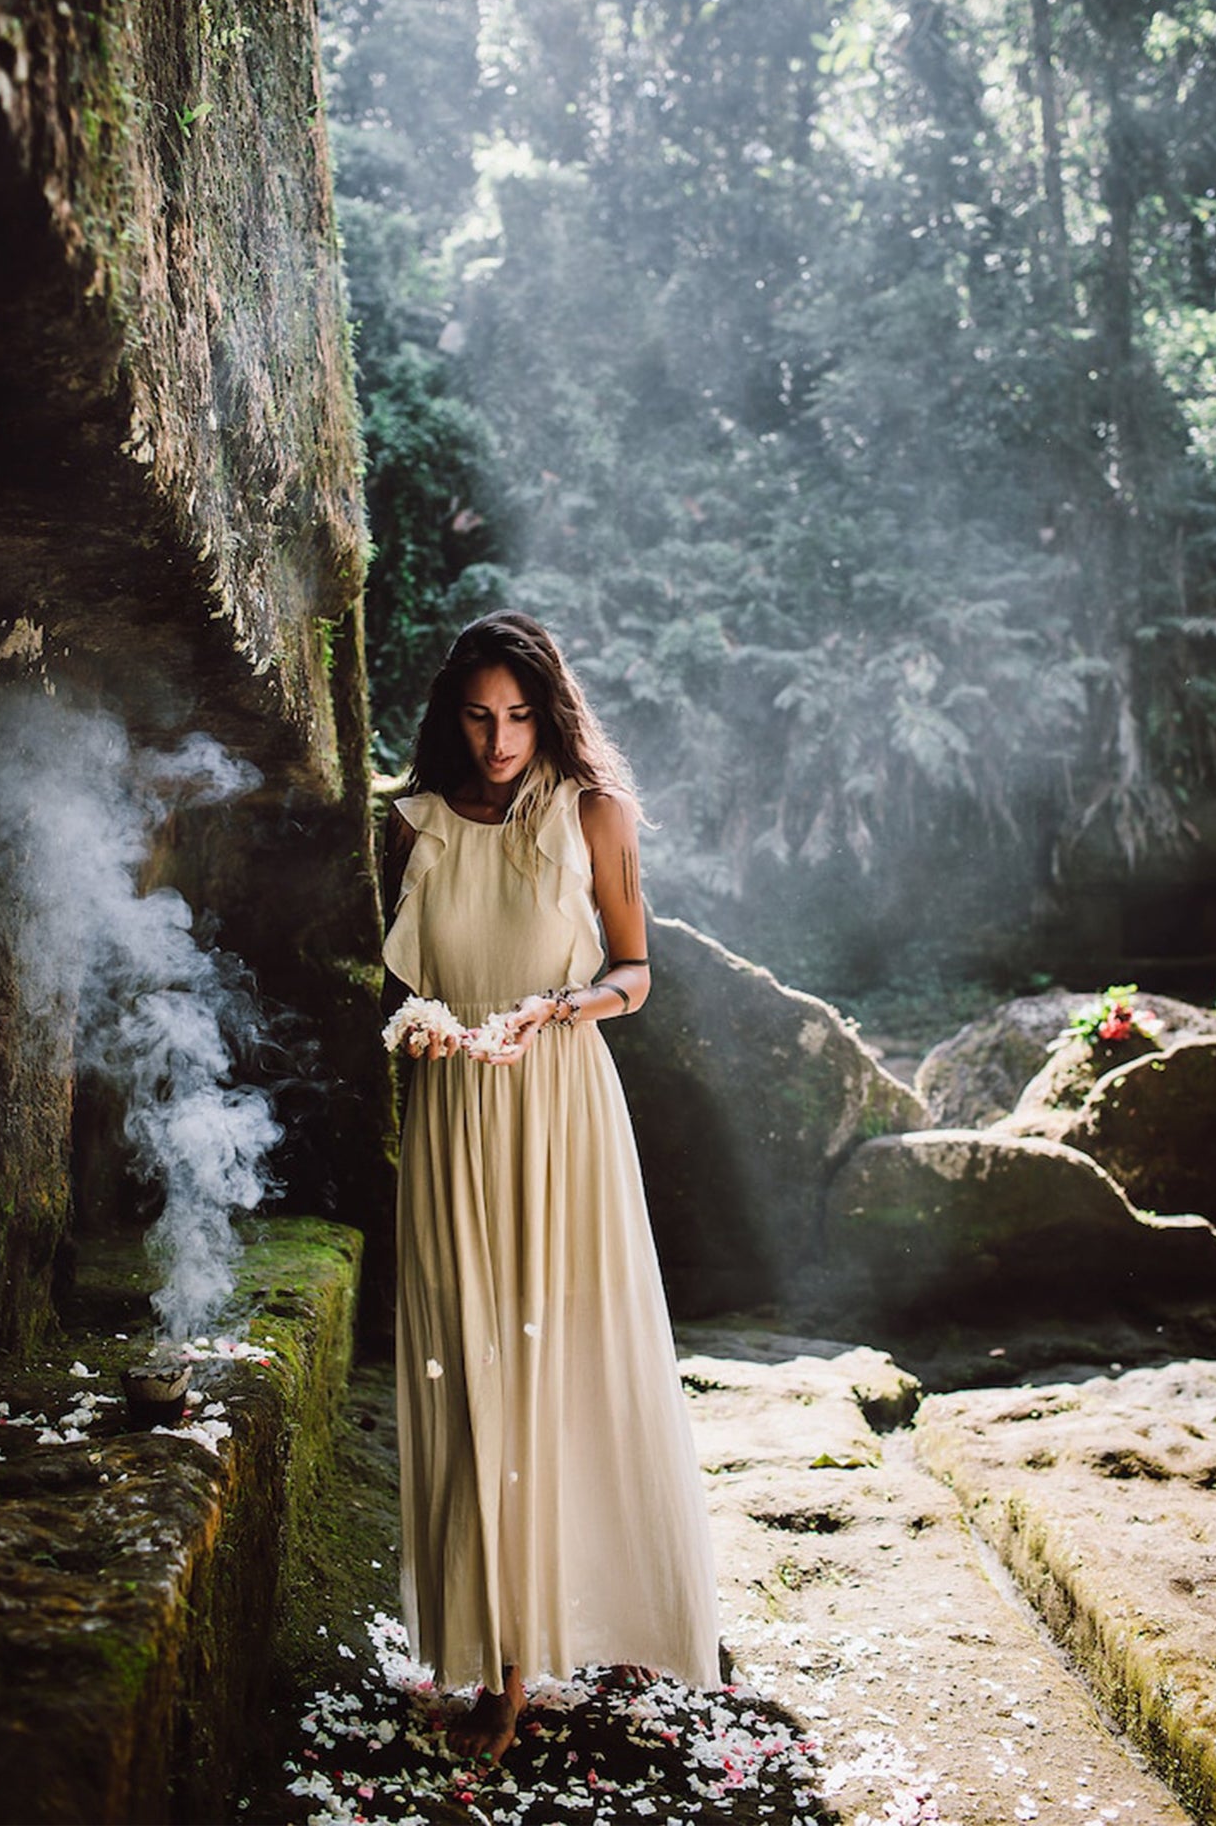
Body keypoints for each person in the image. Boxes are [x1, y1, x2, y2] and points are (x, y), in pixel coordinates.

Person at [380, 610, 721, 1766]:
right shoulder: (410, 822)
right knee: (465, 1360)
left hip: (558, 1100)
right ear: (450, 714)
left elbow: (633, 970)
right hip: (448, 1112)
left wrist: (568, 1006)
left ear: (549, 710)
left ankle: (537, 1656)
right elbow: (390, 975)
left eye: (520, 715)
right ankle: (490, 1640)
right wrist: (416, 1029)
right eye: (479, 715)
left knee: (556, 1361)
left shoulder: (595, 814)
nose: (499, 739)